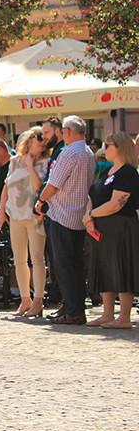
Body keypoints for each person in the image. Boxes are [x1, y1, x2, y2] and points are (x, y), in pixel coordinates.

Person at [38, 116, 96, 325]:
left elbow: (53, 184)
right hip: (79, 214)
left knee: (63, 266)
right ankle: (74, 307)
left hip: (62, 214)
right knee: (76, 265)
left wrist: (41, 201)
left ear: (68, 131)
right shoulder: (89, 152)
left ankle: (73, 311)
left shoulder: (69, 152)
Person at [83, 132, 139, 329]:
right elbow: (94, 194)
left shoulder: (128, 173)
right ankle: (108, 314)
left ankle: (123, 317)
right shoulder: (107, 171)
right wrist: (89, 215)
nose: (103, 149)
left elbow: (117, 204)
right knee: (104, 268)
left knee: (122, 269)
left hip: (121, 227)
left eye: (108, 145)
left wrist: (91, 215)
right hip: (102, 227)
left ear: (121, 147)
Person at [0, 127, 50, 317]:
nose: (42, 141)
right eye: (39, 138)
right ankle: (24, 299)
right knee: (19, 260)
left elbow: (38, 186)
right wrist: (1, 211)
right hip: (16, 216)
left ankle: (38, 300)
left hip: (34, 216)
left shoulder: (45, 163)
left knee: (37, 259)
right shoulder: (13, 162)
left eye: (44, 139)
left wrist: (30, 165)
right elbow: (6, 187)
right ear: (29, 139)